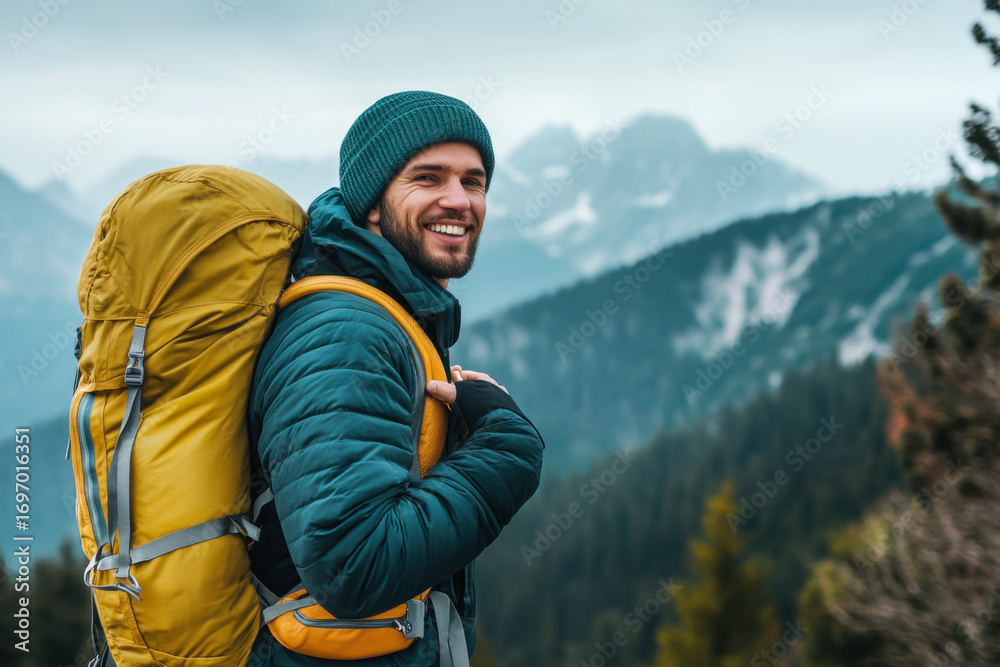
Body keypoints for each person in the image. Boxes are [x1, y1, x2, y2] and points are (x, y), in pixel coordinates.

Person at [246, 91, 545, 666]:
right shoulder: (345, 333)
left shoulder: (385, 311)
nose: (458, 201)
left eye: (474, 181)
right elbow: (353, 566)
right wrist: (509, 447)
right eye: (428, 178)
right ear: (373, 204)